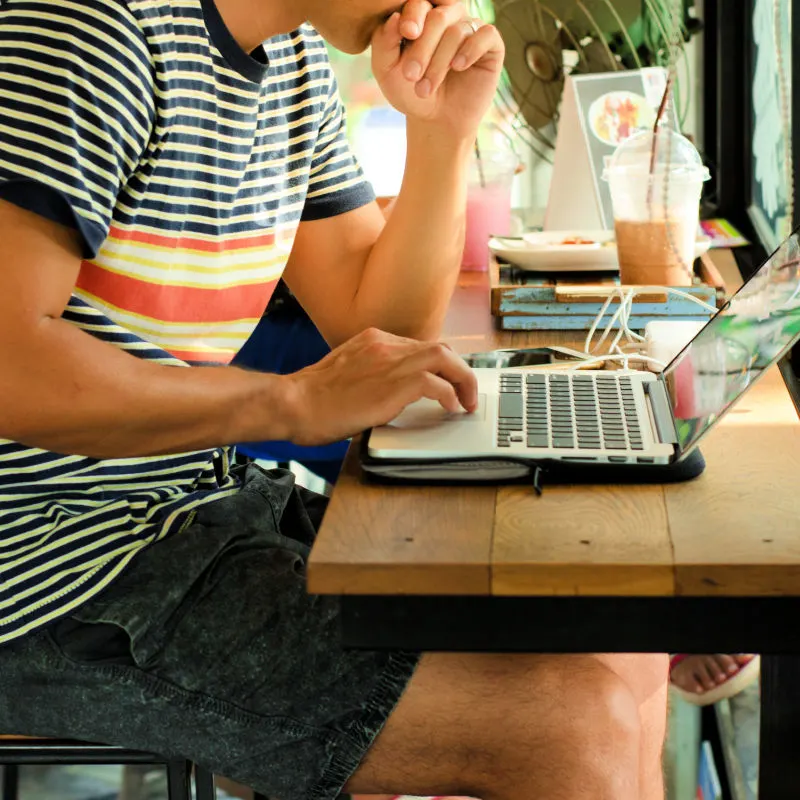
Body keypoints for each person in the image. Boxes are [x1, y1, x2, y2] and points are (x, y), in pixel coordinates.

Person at [0, 0, 668, 798]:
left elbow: (383, 332)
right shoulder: (91, 31)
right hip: (47, 566)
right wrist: (285, 403)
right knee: (569, 726)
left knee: (624, 643)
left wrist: (441, 132)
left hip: (191, 513)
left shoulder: (293, 66)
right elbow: (10, 364)